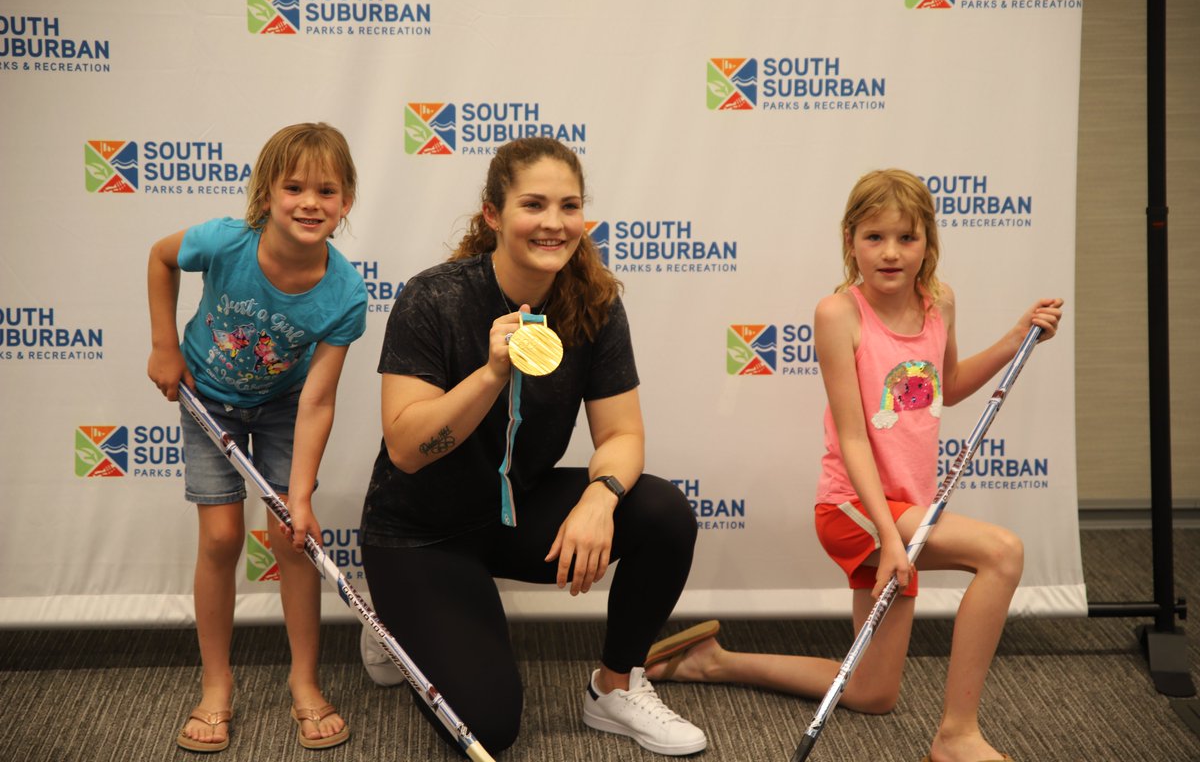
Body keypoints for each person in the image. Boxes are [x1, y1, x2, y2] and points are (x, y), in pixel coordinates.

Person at [639, 169, 1063, 762]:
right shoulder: (840, 313)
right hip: (854, 510)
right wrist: (889, 536)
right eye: (874, 237)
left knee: (872, 692)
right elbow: (853, 435)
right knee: (1003, 551)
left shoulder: (939, 301)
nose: (891, 253)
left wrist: (1017, 336)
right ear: (850, 241)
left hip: (904, 512)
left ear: (928, 243)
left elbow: (949, 385)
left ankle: (712, 662)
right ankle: (957, 735)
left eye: (907, 238)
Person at [358, 137, 705, 757]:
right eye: (534, 204)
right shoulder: (434, 297)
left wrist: (601, 498)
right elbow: (408, 449)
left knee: (660, 513)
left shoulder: (593, 301)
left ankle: (614, 688)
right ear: (493, 214)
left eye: (569, 206)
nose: (553, 223)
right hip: (420, 531)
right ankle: (398, 621)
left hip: (513, 511)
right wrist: (491, 372)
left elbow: (622, 434)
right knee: (489, 728)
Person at [147, 122, 367, 753]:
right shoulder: (227, 242)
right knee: (220, 538)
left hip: (282, 408)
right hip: (208, 397)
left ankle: (304, 682)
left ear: (346, 202)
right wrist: (165, 345)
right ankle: (217, 685)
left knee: (290, 540)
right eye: (293, 186)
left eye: (327, 190)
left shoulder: (346, 292)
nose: (309, 202)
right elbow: (161, 257)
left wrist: (299, 499)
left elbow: (319, 398)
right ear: (266, 194)